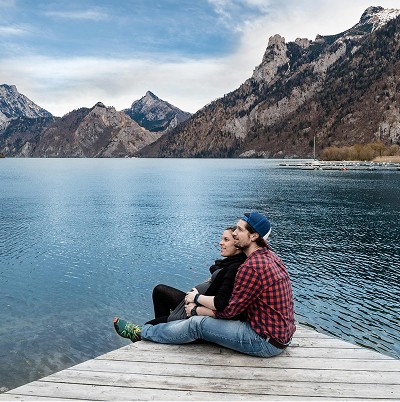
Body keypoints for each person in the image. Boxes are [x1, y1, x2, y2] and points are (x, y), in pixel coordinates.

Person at [114, 212, 296, 358]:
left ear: (254, 235)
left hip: (262, 341)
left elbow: (228, 311)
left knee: (197, 325)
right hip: (278, 335)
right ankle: (154, 333)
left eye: (239, 230)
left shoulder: (251, 267)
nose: (234, 233)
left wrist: (196, 309)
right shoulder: (269, 256)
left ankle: (141, 333)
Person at [145, 226, 247, 325]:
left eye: (226, 240)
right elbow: (216, 269)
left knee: (148, 326)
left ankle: (164, 328)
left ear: (237, 244)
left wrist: (196, 299)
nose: (221, 243)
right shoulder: (230, 263)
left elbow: (221, 302)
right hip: (194, 303)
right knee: (159, 291)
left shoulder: (234, 268)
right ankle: (164, 329)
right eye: (222, 239)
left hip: (195, 310)